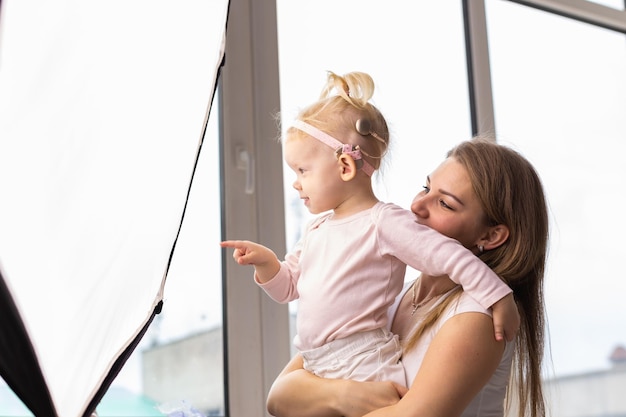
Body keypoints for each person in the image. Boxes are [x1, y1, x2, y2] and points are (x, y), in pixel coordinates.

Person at [220, 71, 518, 387]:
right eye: (424, 188)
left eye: (303, 170)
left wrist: (499, 297)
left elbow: (450, 257)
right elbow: (288, 289)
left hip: (363, 361)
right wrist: (267, 263)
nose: (296, 182)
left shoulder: (384, 222)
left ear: (345, 167)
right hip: (318, 360)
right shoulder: (316, 229)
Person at [265, 137, 548, 417]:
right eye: (425, 188)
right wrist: (346, 396)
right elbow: (279, 396)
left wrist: (318, 394)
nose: (417, 206)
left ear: (490, 235)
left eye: (445, 204)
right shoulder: (387, 294)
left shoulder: (478, 317)